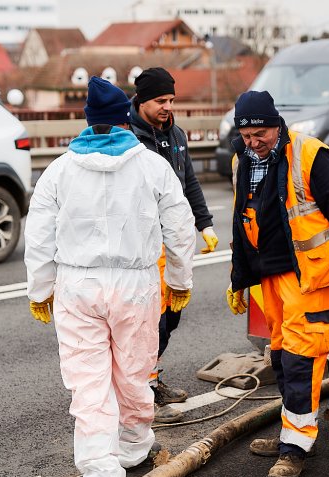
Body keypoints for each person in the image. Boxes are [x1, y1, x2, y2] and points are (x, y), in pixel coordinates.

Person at [24, 77, 196, 477]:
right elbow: (179, 228)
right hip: (135, 283)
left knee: (89, 381)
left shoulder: (60, 170)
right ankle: (134, 446)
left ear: (87, 121)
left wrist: (39, 289)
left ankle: (101, 474)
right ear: (123, 118)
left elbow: (40, 236)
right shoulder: (151, 165)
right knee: (135, 370)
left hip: (77, 284)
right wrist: (179, 281)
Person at [225, 90, 329, 477]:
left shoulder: (309, 155)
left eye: (261, 135)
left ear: (276, 126)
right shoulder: (243, 159)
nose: (254, 143)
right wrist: (238, 277)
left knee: (303, 361)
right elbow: (242, 219)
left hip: (308, 277)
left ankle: (295, 448)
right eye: (247, 136)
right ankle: (293, 431)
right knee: (282, 358)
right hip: (268, 277)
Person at [129, 66, 218, 424]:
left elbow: (190, 183)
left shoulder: (176, 135)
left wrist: (205, 224)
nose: (167, 106)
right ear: (141, 101)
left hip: (176, 244)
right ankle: (141, 390)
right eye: (159, 100)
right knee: (150, 321)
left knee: (171, 318)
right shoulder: (129, 138)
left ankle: (151, 378)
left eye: (170, 99)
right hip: (145, 248)